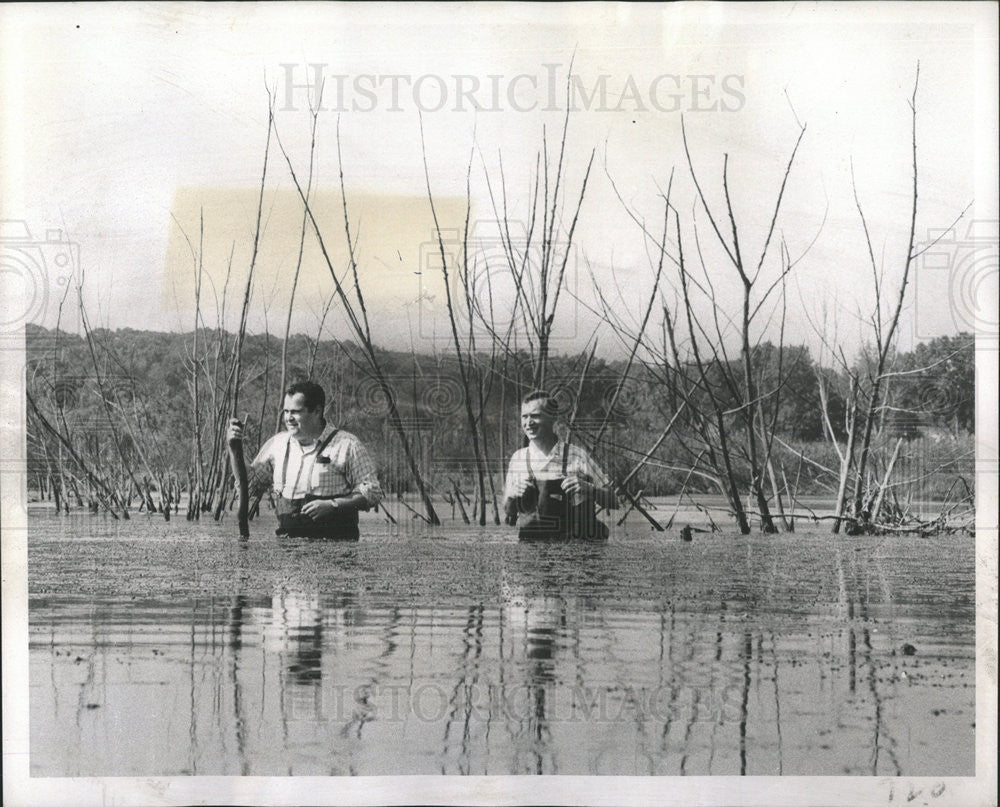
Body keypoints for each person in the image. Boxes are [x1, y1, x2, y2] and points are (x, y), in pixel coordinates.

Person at [227, 380, 383, 540]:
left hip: (336, 554)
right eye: (286, 411)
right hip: (287, 554)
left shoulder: (347, 445)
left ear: (316, 411)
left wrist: (333, 505)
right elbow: (249, 484)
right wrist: (233, 449)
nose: (288, 418)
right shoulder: (278, 444)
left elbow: (372, 492)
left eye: (295, 412)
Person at [503, 390, 617, 542]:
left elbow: (614, 501)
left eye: (535, 416)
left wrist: (589, 489)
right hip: (531, 556)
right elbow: (508, 514)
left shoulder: (578, 456)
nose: (528, 422)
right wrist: (512, 497)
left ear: (553, 418)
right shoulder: (518, 459)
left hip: (578, 553)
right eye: (525, 416)